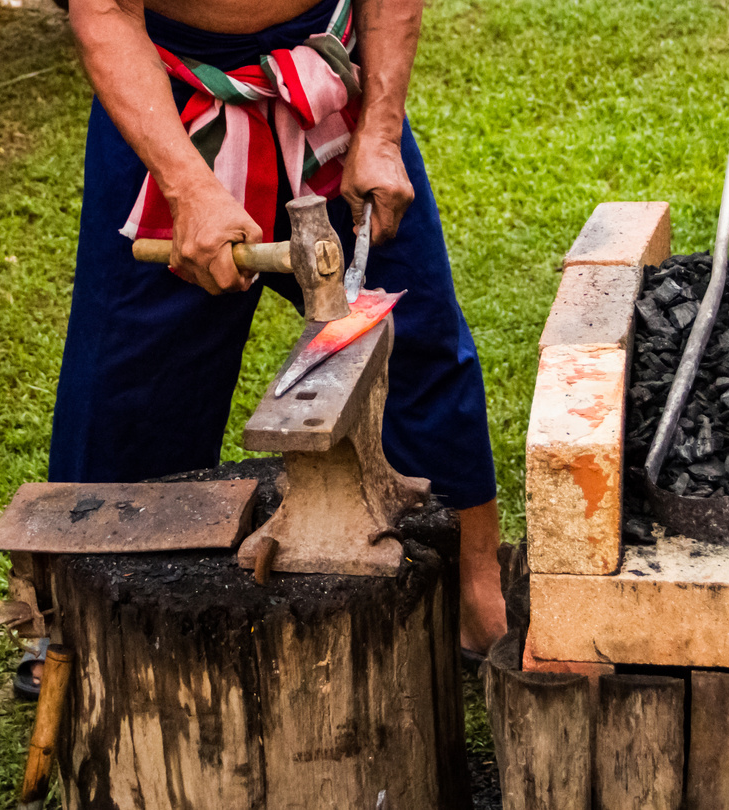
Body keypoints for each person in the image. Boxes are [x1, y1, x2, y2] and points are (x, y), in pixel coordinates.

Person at [29, 0, 506, 688]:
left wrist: (380, 129)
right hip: (169, 96)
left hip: (324, 82)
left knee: (418, 344)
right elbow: (104, 9)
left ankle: (474, 590)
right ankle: (80, 623)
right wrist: (188, 184)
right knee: (128, 388)